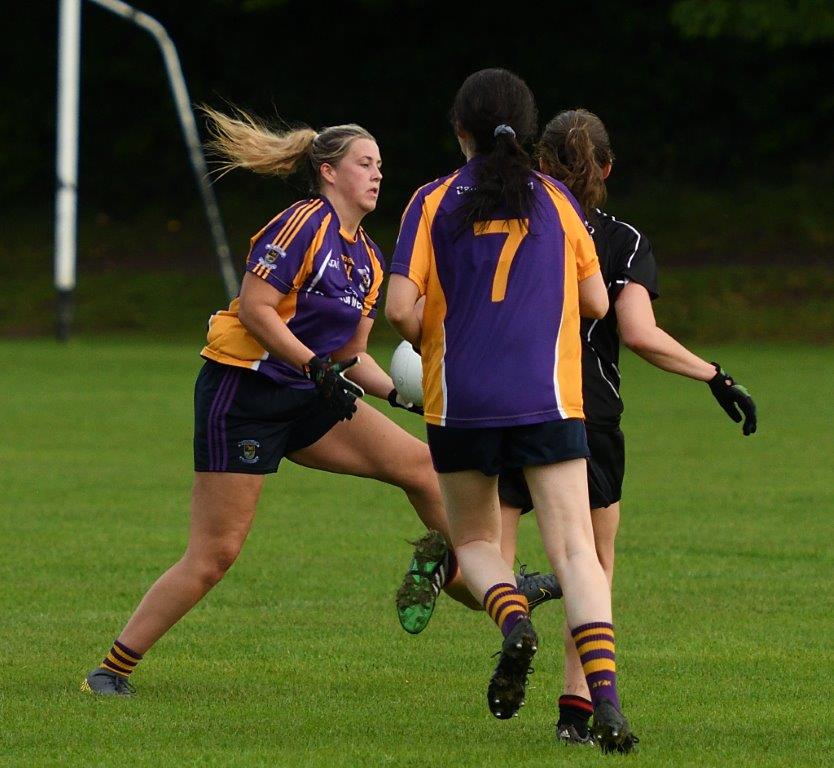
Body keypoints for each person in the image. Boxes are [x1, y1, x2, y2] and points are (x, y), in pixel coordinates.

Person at [80, 104, 489, 697]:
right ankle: (110, 670)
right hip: (244, 392)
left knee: (423, 467)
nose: (377, 174)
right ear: (328, 171)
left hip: (309, 392)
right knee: (215, 554)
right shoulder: (302, 225)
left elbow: (353, 355)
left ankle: (472, 582)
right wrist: (311, 366)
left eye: (380, 165)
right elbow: (255, 308)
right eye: (364, 163)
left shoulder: (369, 258)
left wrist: (412, 396)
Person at [386, 69, 637, 753]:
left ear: (459, 130)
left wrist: (440, 337)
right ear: (525, 131)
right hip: (548, 397)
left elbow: (401, 308)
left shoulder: (431, 201)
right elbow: (594, 304)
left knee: (471, 545)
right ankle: (607, 706)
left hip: (461, 401)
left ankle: (512, 620)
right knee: (577, 551)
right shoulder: (557, 200)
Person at [497, 108, 757, 745]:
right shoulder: (621, 240)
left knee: (485, 554)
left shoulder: (508, 227)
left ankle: (517, 598)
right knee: (594, 562)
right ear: (607, 168)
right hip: (587, 416)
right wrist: (715, 376)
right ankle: (575, 714)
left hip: (505, 405)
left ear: (539, 164)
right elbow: (639, 334)